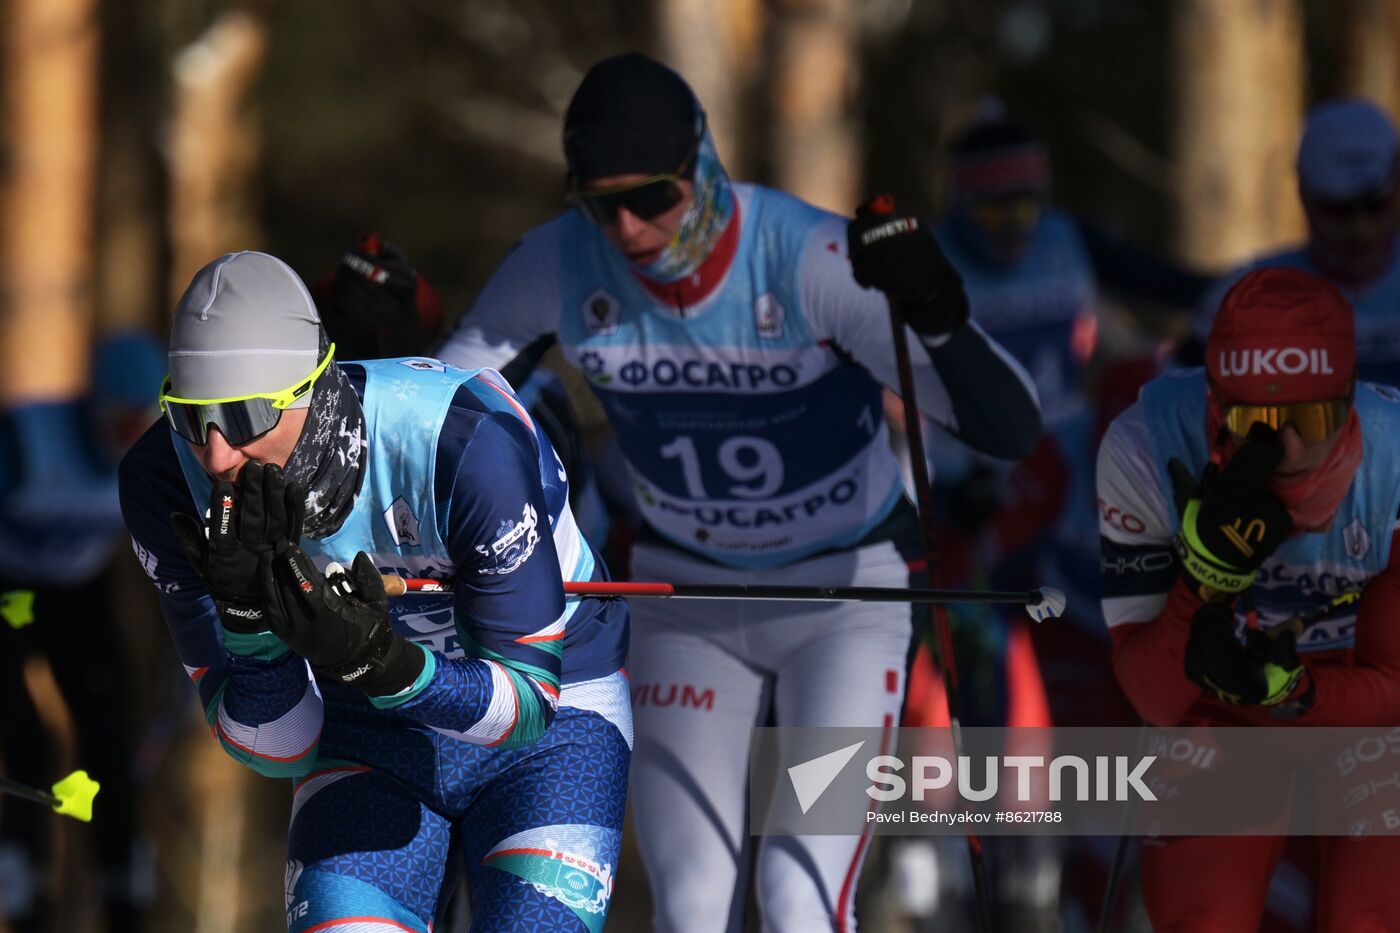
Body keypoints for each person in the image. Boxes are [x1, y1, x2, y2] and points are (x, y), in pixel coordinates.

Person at [438, 52, 1042, 932]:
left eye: (652, 197)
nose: (631, 228)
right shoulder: (562, 262)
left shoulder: (806, 256)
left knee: (799, 896)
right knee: (688, 907)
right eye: (602, 204)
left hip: (847, 592)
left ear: (703, 166)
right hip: (692, 600)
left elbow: (1008, 427)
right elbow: (446, 408)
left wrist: (940, 313)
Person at [118, 251, 630, 932]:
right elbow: (279, 747)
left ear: (309, 389)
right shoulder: (163, 481)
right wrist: (249, 619)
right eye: (191, 415)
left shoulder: (456, 438)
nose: (215, 455)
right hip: (367, 736)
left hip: (554, 730)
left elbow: (527, 706)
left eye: (241, 417)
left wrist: (382, 662)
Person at [1096, 266, 1400, 930]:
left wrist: (1297, 692)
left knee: (1369, 915)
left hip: (1365, 709)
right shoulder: (1146, 445)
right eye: (1257, 420)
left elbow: (1393, 685)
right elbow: (1152, 696)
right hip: (1224, 709)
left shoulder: (1396, 462)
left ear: (1349, 400)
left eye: (1313, 417)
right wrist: (1205, 579)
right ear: (1213, 403)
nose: (1289, 449)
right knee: (1202, 917)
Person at [0, 328, 165, 933]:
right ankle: (23, 886)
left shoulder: (155, 456)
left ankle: (122, 887)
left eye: (140, 421)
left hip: (79, 588)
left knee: (108, 735)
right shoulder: (26, 438)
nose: (127, 436)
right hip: (10, 590)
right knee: (28, 738)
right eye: (119, 419)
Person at [1178, 97, 1400, 386]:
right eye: (1336, 210)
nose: (1360, 230)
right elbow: (1176, 403)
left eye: (1376, 207)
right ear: (1303, 194)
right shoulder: (1244, 296)